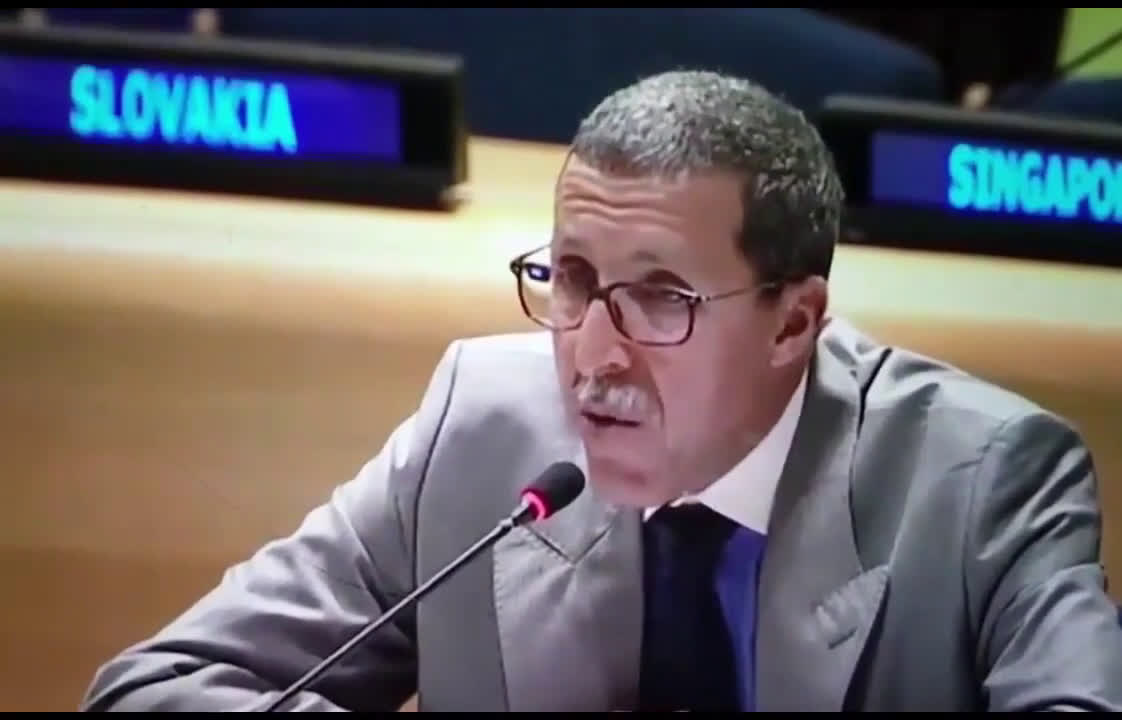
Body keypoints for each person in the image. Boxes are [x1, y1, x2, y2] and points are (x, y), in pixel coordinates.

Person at [80, 70, 1122, 712]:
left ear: (794, 322)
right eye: (573, 279)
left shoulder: (985, 482)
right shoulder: (482, 431)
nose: (593, 354)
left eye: (661, 298)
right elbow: (152, 689)